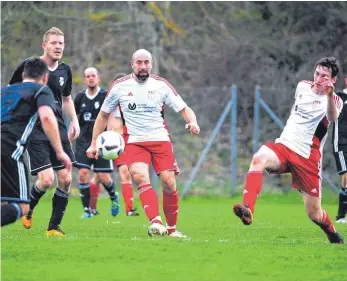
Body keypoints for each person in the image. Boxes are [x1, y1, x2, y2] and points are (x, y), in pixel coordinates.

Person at [87, 49, 200, 237]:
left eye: (146, 62)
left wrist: (193, 122)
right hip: (134, 142)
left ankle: (172, 229)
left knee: (169, 183)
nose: (143, 66)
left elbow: (184, 108)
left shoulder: (161, 85)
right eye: (139, 63)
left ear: (151, 64)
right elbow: (103, 115)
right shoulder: (120, 86)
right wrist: (93, 143)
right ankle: (155, 222)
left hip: (160, 140)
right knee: (140, 176)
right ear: (132, 65)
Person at [233, 57, 344, 244]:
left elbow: (332, 118)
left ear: (333, 80)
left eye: (324, 76)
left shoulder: (334, 100)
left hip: (307, 158)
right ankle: (248, 209)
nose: (318, 79)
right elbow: (296, 108)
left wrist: (328, 95)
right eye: (317, 73)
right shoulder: (302, 86)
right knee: (258, 158)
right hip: (284, 146)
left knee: (314, 214)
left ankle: (332, 232)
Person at [8, 27, 80, 236]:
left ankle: (53, 228)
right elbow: (12, 91)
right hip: (35, 129)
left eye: (61, 43)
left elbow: (66, 99)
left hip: (58, 128)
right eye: (54, 43)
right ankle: (29, 208)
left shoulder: (65, 70)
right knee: (46, 179)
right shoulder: (29, 66)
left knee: (66, 179)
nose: (58, 47)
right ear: (44, 45)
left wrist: (74, 120)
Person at [1, 57, 72, 227]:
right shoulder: (41, 90)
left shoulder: (4, 91)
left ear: (23, 74)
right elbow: (47, 117)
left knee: (3, 203)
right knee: (23, 207)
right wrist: (60, 151)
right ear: (45, 77)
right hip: (9, 151)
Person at [74, 67, 120, 218]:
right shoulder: (80, 97)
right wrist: (67, 137)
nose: (91, 78)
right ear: (85, 79)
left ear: (98, 78)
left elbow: (112, 116)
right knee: (83, 174)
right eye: (87, 76)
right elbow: (74, 119)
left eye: (93, 75)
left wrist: (113, 135)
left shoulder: (106, 95)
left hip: (102, 142)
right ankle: (87, 210)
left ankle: (114, 197)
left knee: (104, 177)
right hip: (83, 142)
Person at [332, 77, 347, 223]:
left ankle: (341, 216)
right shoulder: (338, 96)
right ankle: (341, 215)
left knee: (346, 181)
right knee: (346, 176)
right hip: (341, 143)